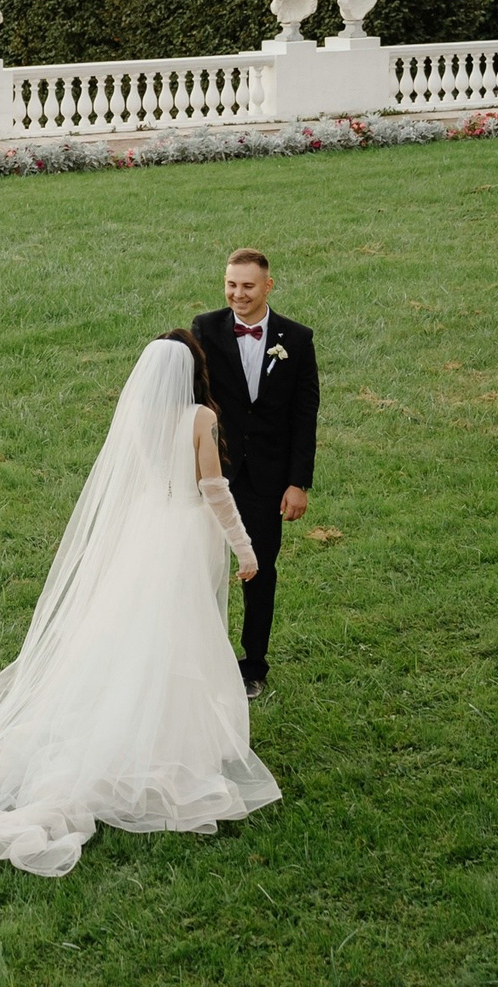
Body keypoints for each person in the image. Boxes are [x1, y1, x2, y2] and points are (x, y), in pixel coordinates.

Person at [0, 333, 281, 876]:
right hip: (185, 538)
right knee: (182, 635)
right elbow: (213, 489)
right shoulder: (198, 419)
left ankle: (135, 720)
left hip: (146, 534)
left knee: (135, 635)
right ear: (195, 370)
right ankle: (170, 740)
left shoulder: (139, 414)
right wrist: (245, 547)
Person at [191, 249, 320, 697]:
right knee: (201, 569)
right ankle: (201, 658)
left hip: (268, 479)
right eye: (230, 284)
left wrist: (297, 481)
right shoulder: (205, 329)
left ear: (268, 286)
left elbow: (305, 415)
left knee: (258, 570)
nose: (237, 294)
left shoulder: (297, 340)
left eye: (247, 286)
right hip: (213, 473)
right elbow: (190, 400)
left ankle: (253, 665)